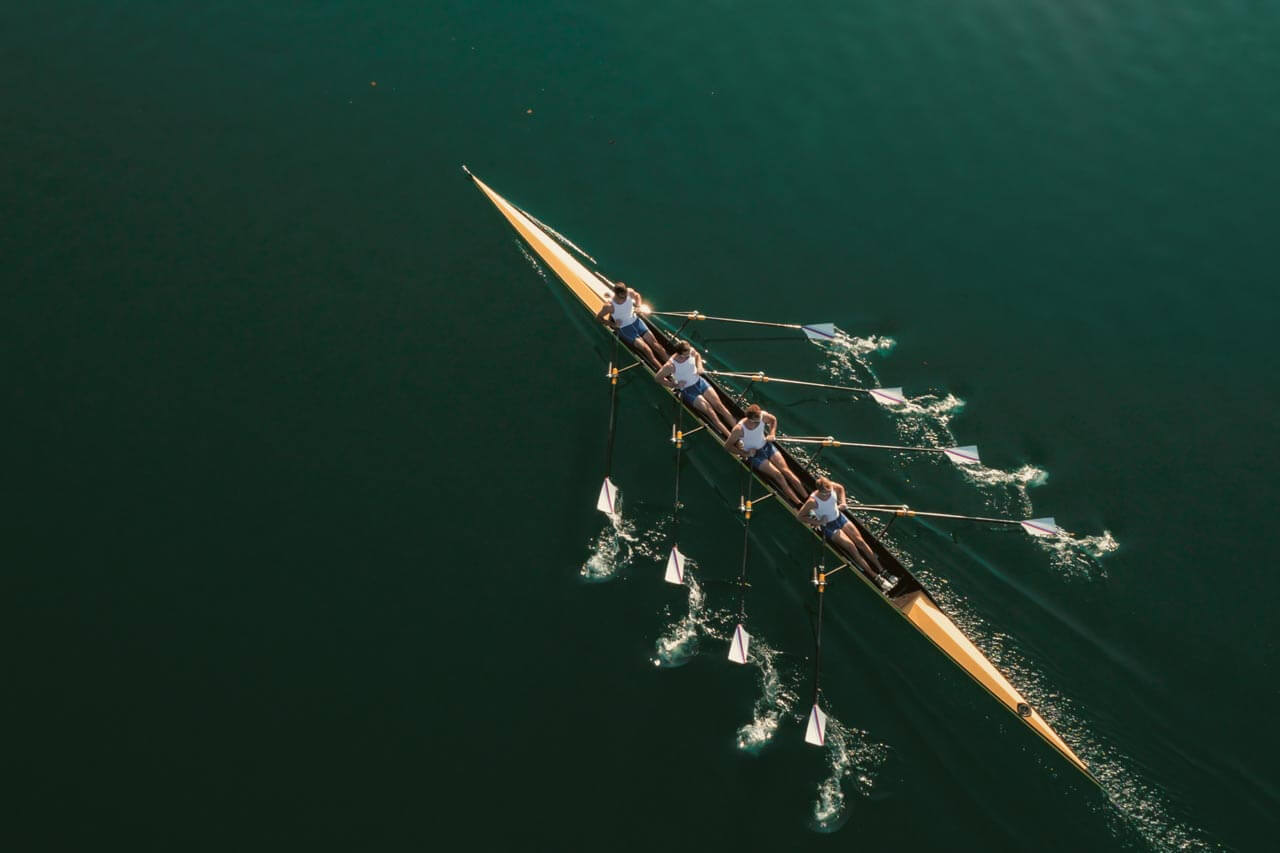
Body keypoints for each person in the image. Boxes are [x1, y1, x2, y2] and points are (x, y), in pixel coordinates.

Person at [800, 477, 899, 592]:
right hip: (829, 526)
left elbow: (840, 488)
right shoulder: (812, 501)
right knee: (852, 547)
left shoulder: (831, 486)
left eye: (829, 492)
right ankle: (876, 577)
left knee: (861, 542)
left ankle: (882, 570)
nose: (829, 494)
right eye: (826, 493)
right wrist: (818, 522)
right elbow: (801, 516)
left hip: (840, 518)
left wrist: (843, 502)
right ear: (819, 491)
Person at [724, 404, 807, 505]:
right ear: (750, 419)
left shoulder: (762, 415)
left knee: (787, 471)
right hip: (755, 455)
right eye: (758, 419)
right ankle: (799, 504)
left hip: (767, 446)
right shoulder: (739, 429)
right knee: (779, 476)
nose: (761, 419)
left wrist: (772, 433)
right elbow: (727, 446)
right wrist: (745, 453)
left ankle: (807, 499)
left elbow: (773, 420)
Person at [654, 341, 737, 438]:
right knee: (711, 413)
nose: (690, 354)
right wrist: (673, 384)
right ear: (680, 354)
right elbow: (658, 378)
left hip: (700, 383)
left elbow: (697, 355)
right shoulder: (670, 365)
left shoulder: (691, 351)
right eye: (687, 355)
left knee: (720, 406)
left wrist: (700, 366)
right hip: (688, 391)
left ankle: (738, 431)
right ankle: (731, 437)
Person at [596, 282, 667, 369]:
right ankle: (665, 372)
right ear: (616, 295)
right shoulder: (609, 306)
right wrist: (613, 324)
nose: (626, 297)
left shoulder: (629, 292)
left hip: (636, 322)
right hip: (625, 329)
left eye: (626, 295)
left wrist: (638, 306)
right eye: (623, 296)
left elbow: (637, 296)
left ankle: (672, 364)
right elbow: (599, 318)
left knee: (656, 345)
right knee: (646, 349)